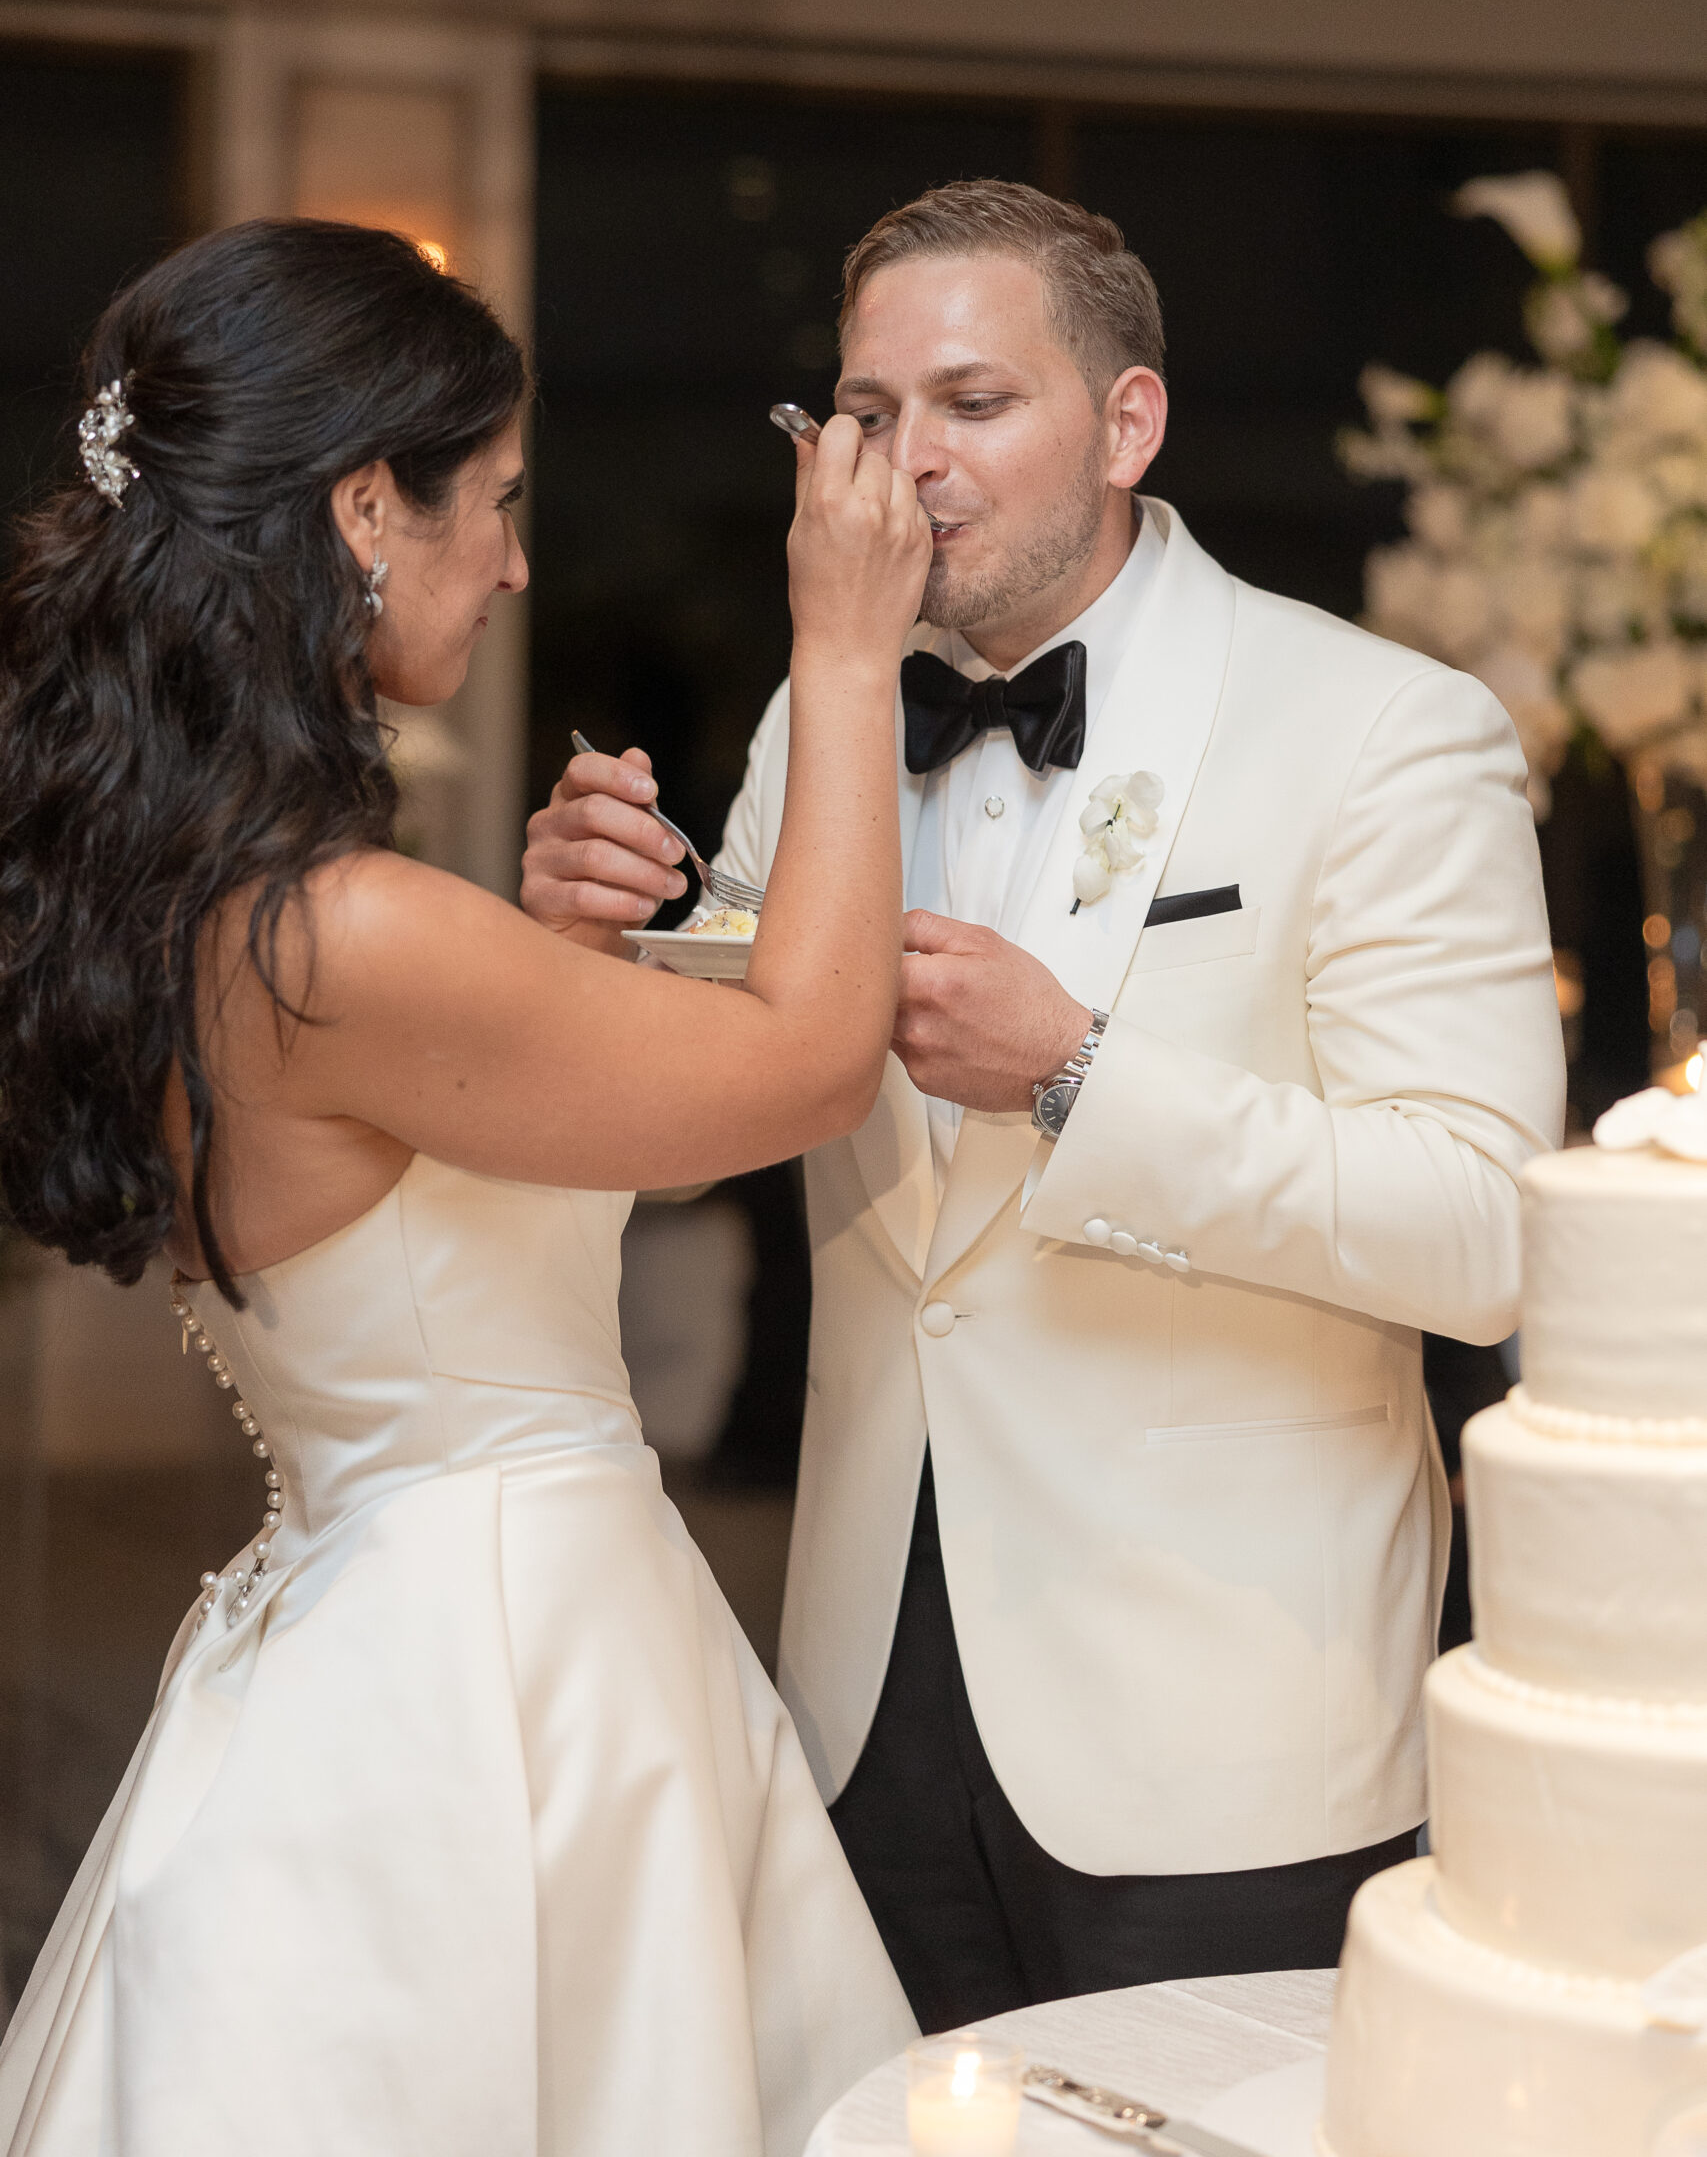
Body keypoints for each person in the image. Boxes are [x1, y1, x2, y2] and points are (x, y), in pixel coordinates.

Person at [524, 180, 1567, 2032]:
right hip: (860, 1707)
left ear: (1128, 421)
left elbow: (1487, 1236)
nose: (906, 462)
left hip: (1230, 1733)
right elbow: (736, 1106)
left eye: (974, 405)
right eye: (865, 414)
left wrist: (1080, 1074)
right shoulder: (815, 718)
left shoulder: (1385, 729)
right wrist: (595, 961)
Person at [0, 219, 924, 2155]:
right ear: (360, 507)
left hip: (385, 1617)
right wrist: (843, 647)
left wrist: (540, 960)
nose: (513, 558)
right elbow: (814, 1056)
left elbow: (405, 1183)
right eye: (490, 503)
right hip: (498, 1690)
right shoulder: (342, 928)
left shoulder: (220, 900)